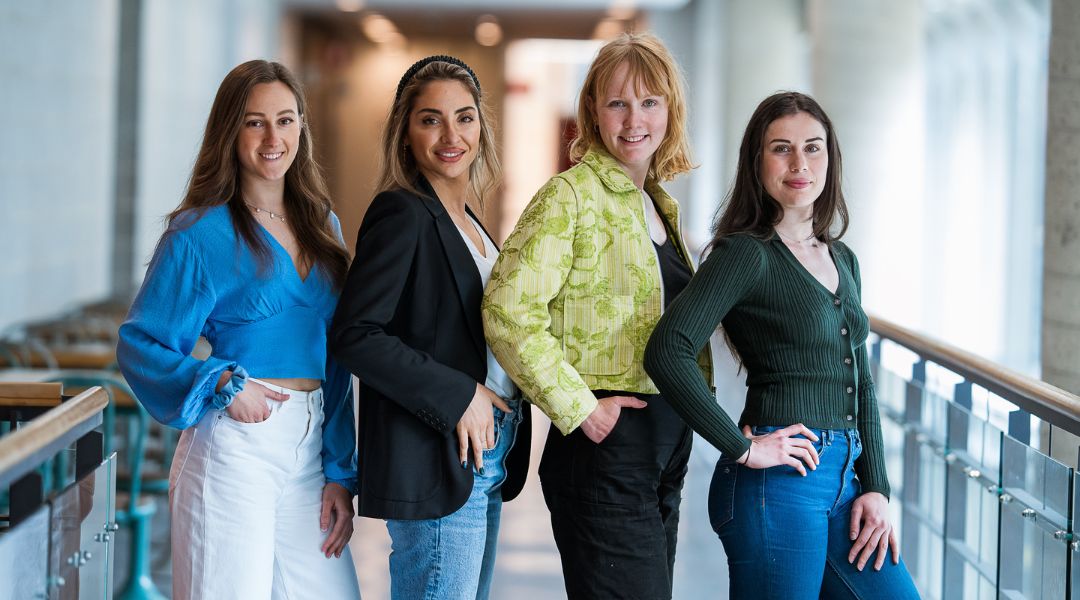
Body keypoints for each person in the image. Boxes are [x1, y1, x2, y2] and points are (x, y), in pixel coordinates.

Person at [643, 91, 921, 599]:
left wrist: (876, 485)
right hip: (780, 483)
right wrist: (741, 447)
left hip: (845, 485)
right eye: (781, 148)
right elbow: (668, 350)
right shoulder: (744, 253)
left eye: (813, 148)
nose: (799, 163)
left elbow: (860, 380)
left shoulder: (844, 260)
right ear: (758, 160)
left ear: (831, 159)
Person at [116, 60, 361, 600]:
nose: (274, 137)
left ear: (302, 127)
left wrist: (342, 471)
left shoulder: (323, 223)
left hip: (310, 451)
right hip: (234, 452)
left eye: (287, 119)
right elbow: (139, 345)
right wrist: (223, 381)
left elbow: (338, 357)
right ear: (230, 131)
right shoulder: (200, 233)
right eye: (255, 122)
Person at [483, 33, 710, 600]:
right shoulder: (570, 197)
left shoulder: (657, 203)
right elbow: (509, 312)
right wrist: (580, 408)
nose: (635, 119)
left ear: (670, 112)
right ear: (594, 112)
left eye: (650, 102)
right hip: (607, 450)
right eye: (618, 103)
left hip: (665, 449)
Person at [328, 55, 530, 600]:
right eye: (430, 119)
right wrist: (458, 393)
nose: (451, 135)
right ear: (406, 131)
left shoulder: (469, 220)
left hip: (485, 452)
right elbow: (355, 334)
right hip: (436, 454)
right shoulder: (402, 212)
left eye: (465, 118)